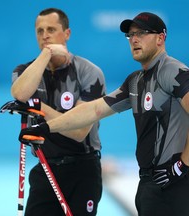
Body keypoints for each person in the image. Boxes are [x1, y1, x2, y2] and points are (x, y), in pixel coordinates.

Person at [19, 12, 189, 216]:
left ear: (160, 38)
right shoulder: (135, 81)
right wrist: (44, 128)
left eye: (142, 33)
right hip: (149, 184)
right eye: (131, 35)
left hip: (176, 184)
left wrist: (182, 165)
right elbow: (93, 110)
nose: (134, 39)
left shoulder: (173, 71)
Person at [11, 7, 106, 216]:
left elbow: (79, 131)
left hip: (83, 169)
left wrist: (34, 105)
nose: (45, 35)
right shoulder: (24, 71)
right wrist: (46, 54)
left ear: (67, 34)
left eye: (51, 29)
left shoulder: (89, 72)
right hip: (45, 168)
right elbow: (19, 93)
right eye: (39, 31)